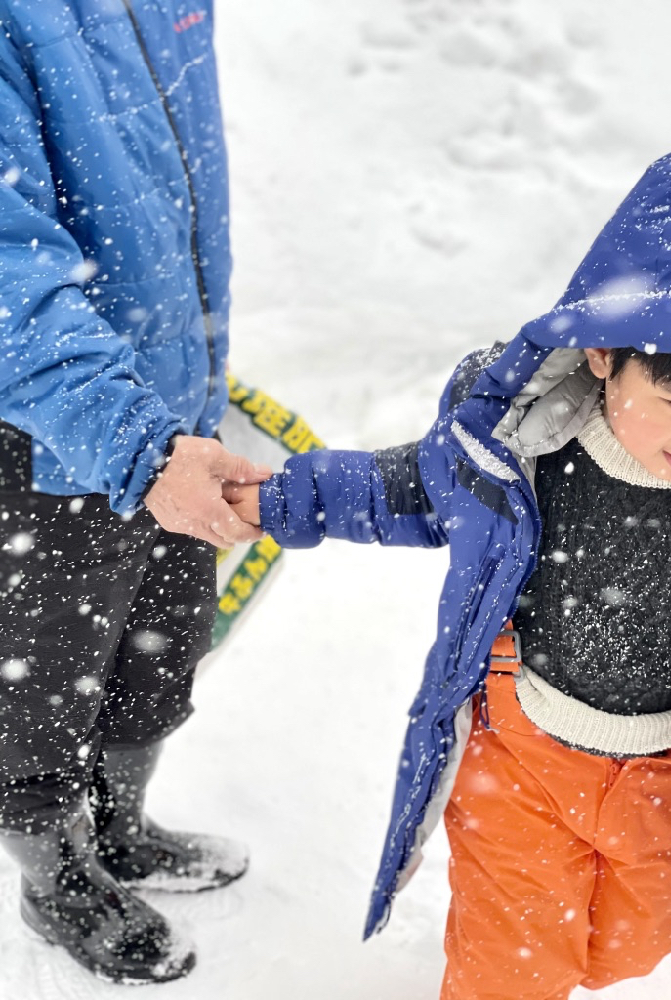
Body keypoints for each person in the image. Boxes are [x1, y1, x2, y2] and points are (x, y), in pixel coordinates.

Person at [226, 149, 671, 998]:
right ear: (602, 353)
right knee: (510, 964)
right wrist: (282, 497)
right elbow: (403, 487)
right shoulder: (521, 452)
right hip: (523, 749)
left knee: (634, 944)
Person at [0, 0, 269, 986]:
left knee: (160, 645)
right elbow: (4, 282)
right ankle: (54, 873)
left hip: (167, 399)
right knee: (38, 687)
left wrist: (181, 413)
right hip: (40, 436)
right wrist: (141, 450)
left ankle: (117, 826)